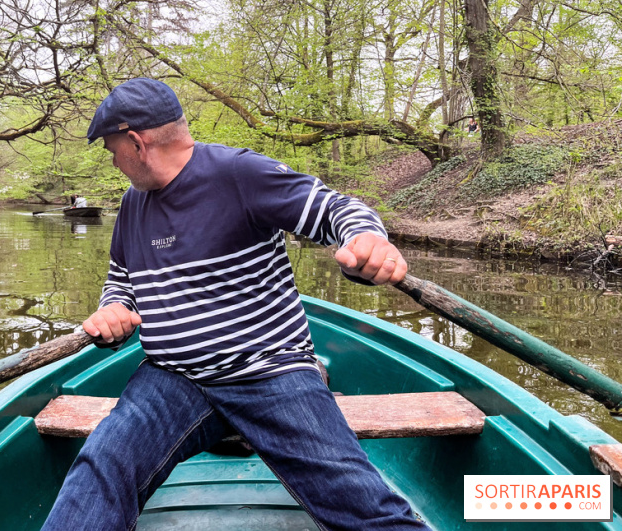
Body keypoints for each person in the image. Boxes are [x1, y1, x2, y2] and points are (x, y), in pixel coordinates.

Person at [42, 78, 428, 531]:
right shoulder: (132, 204)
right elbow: (122, 281)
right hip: (173, 378)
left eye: (112, 149)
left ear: (135, 142)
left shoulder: (238, 174)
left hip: (269, 370)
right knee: (100, 470)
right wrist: (113, 309)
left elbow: (335, 210)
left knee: (360, 502)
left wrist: (366, 239)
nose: (114, 161)